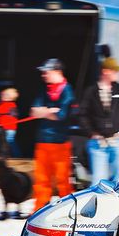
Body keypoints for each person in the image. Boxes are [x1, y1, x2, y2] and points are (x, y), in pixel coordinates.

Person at [30, 58, 75, 211]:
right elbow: (33, 112)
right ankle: (39, 209)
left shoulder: (67, 90)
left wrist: (44, 112)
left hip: (60, 143)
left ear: (57, 71)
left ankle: (68, 210)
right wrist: (50, 111)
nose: (43, 75)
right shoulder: (44, 90)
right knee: (41, 180)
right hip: (42, 142)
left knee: (63, 181)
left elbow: (62, 115)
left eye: (46, 72)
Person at [80, 56, 119, 184]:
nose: (118, 74)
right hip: (98, 144)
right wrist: (92, 133)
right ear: (106, 71)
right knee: (99, 181)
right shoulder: (91, 92)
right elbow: (82, 115)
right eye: (115, 71)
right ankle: (99, 203)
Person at [0, 87, 20, 157]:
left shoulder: (10, 105)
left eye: (4, 95)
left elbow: (0, 110)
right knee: (8, 142)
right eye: (2, 94)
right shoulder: (2, 104)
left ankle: (15, 155)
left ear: (10, 98)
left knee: (8, 142)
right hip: (4, 127)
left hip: (9, 128)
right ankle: (13, 154)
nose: (1, 96)